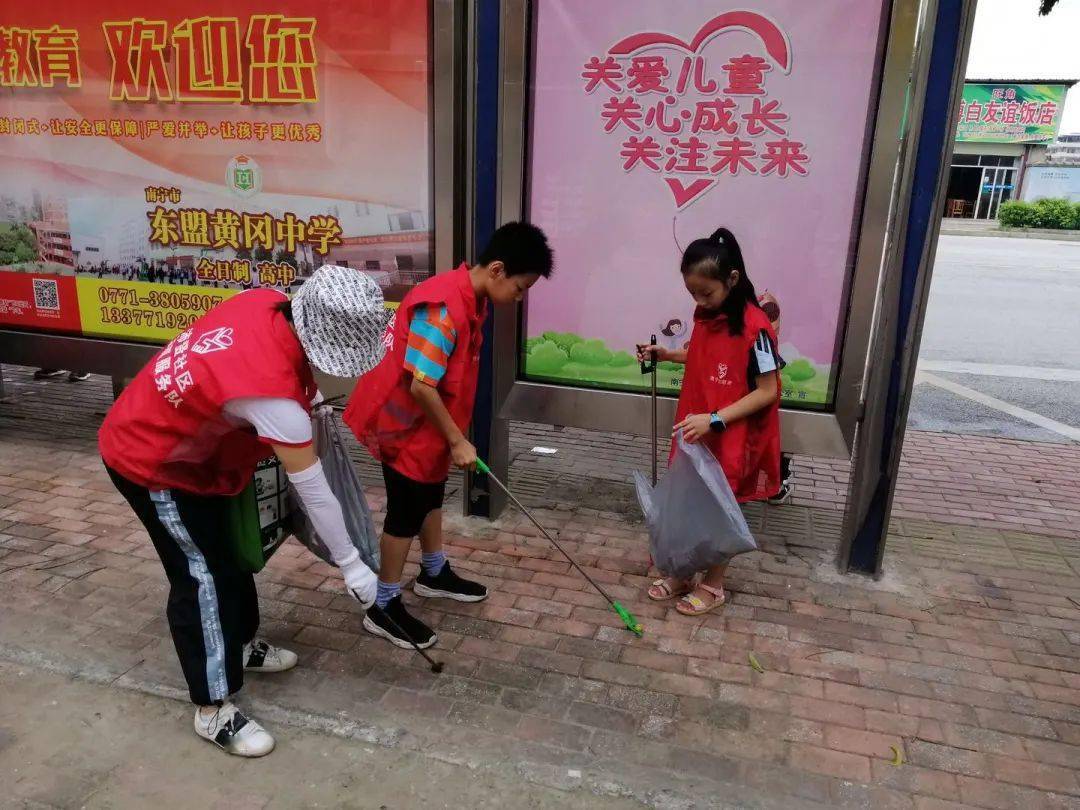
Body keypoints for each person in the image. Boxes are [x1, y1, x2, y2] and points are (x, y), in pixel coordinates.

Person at [98, 265, 386, 757]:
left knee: (228, 553)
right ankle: (213, 707)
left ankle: (240, 643)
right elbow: (314, 492)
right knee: (200, 574)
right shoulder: (270, 397)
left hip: (201, 453)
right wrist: (352, 562)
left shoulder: (270, 302)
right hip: (154, 459)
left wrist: (310, 393)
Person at [344, 222, 553, 650]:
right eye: (520, 286)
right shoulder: (443, 309)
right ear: (497, 270)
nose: (520, 296)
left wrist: (452, 437)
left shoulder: (473, 300)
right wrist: (458, 439)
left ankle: (434, 572)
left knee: (431, 496)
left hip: (429, 426)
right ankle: (383, 606)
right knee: (405, 512)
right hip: (404, 426)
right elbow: (421, 383)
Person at [638, 227, 781, 616]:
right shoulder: (705, 315)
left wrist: (715, 419)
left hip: (727, 432)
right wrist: (665, 354)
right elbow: (700, 353)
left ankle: (714, 583)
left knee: (720, 504)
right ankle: (683, 572)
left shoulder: (757, 327)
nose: (700, 302)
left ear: (732, 279)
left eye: (707, 293)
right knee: (686, 497)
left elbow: (768, 390)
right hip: (694, 426)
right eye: (693, 294)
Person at [757, 290, 794, 505]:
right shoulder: (768, 308)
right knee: (772, 434)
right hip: (766, 385)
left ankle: (743, 487)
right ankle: (775, 485)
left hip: (757, 385)